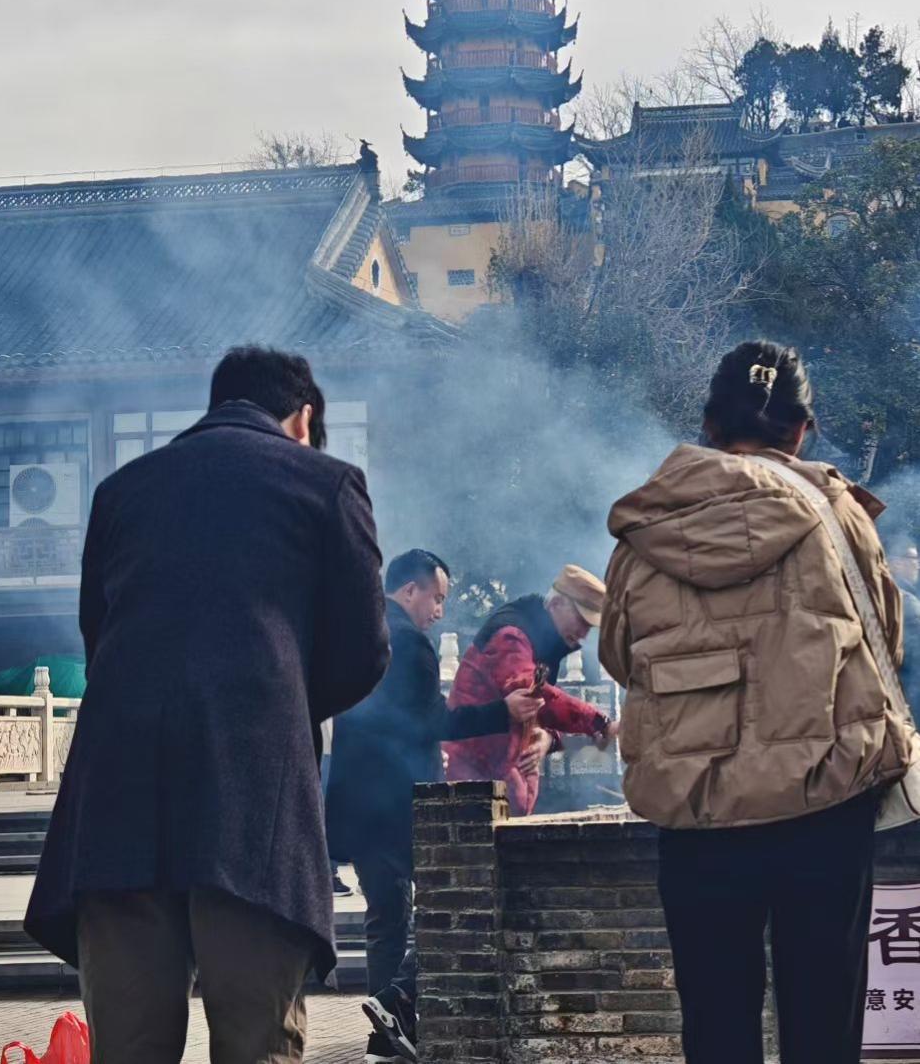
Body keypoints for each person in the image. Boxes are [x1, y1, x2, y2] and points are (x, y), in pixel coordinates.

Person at [25, 345, 391, 1064]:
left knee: (127, 1048)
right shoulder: (329, 485)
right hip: (251, 802)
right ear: (304, 418)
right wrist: (276, 701)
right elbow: (364, 651)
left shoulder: (122, 490)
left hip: (118, 803)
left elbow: (100, 637)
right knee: (255, 1042)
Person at [601, 340, 919, 1064]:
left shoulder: (643, 533)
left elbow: (620, 660)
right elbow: (886, 642)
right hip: (822, 800)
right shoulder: (838, 518)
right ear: (801, 428)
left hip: (697, 805)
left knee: (716, 1024)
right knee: (823, 1019)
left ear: (709, 426)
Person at [325, 549, 541, 1064]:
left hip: (359, 804)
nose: (439, 611)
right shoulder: (411, 646)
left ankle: (386, 1032)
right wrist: (501, 711)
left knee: (387, 919)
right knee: (443, 905)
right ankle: (394, 1008)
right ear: (409, 590)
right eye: (437, 597)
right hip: (400, 803)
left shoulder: (357, 635)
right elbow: (429, 726)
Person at [445, 565, 617, 815]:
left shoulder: (545, 643)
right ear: (556, 604)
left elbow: (535, 711)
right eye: (581, 620)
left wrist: (549, 738)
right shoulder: (511, 636)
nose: (583, 633)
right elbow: (532, 694)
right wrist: (598, 722)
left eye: (589, 626)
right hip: (471, 782)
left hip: (502, 782)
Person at [889, 535, 920, 722]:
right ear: (896, 563)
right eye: (913, 559)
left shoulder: (882, 594)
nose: (917, 565)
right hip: (911, 690)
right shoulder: (907, 601)